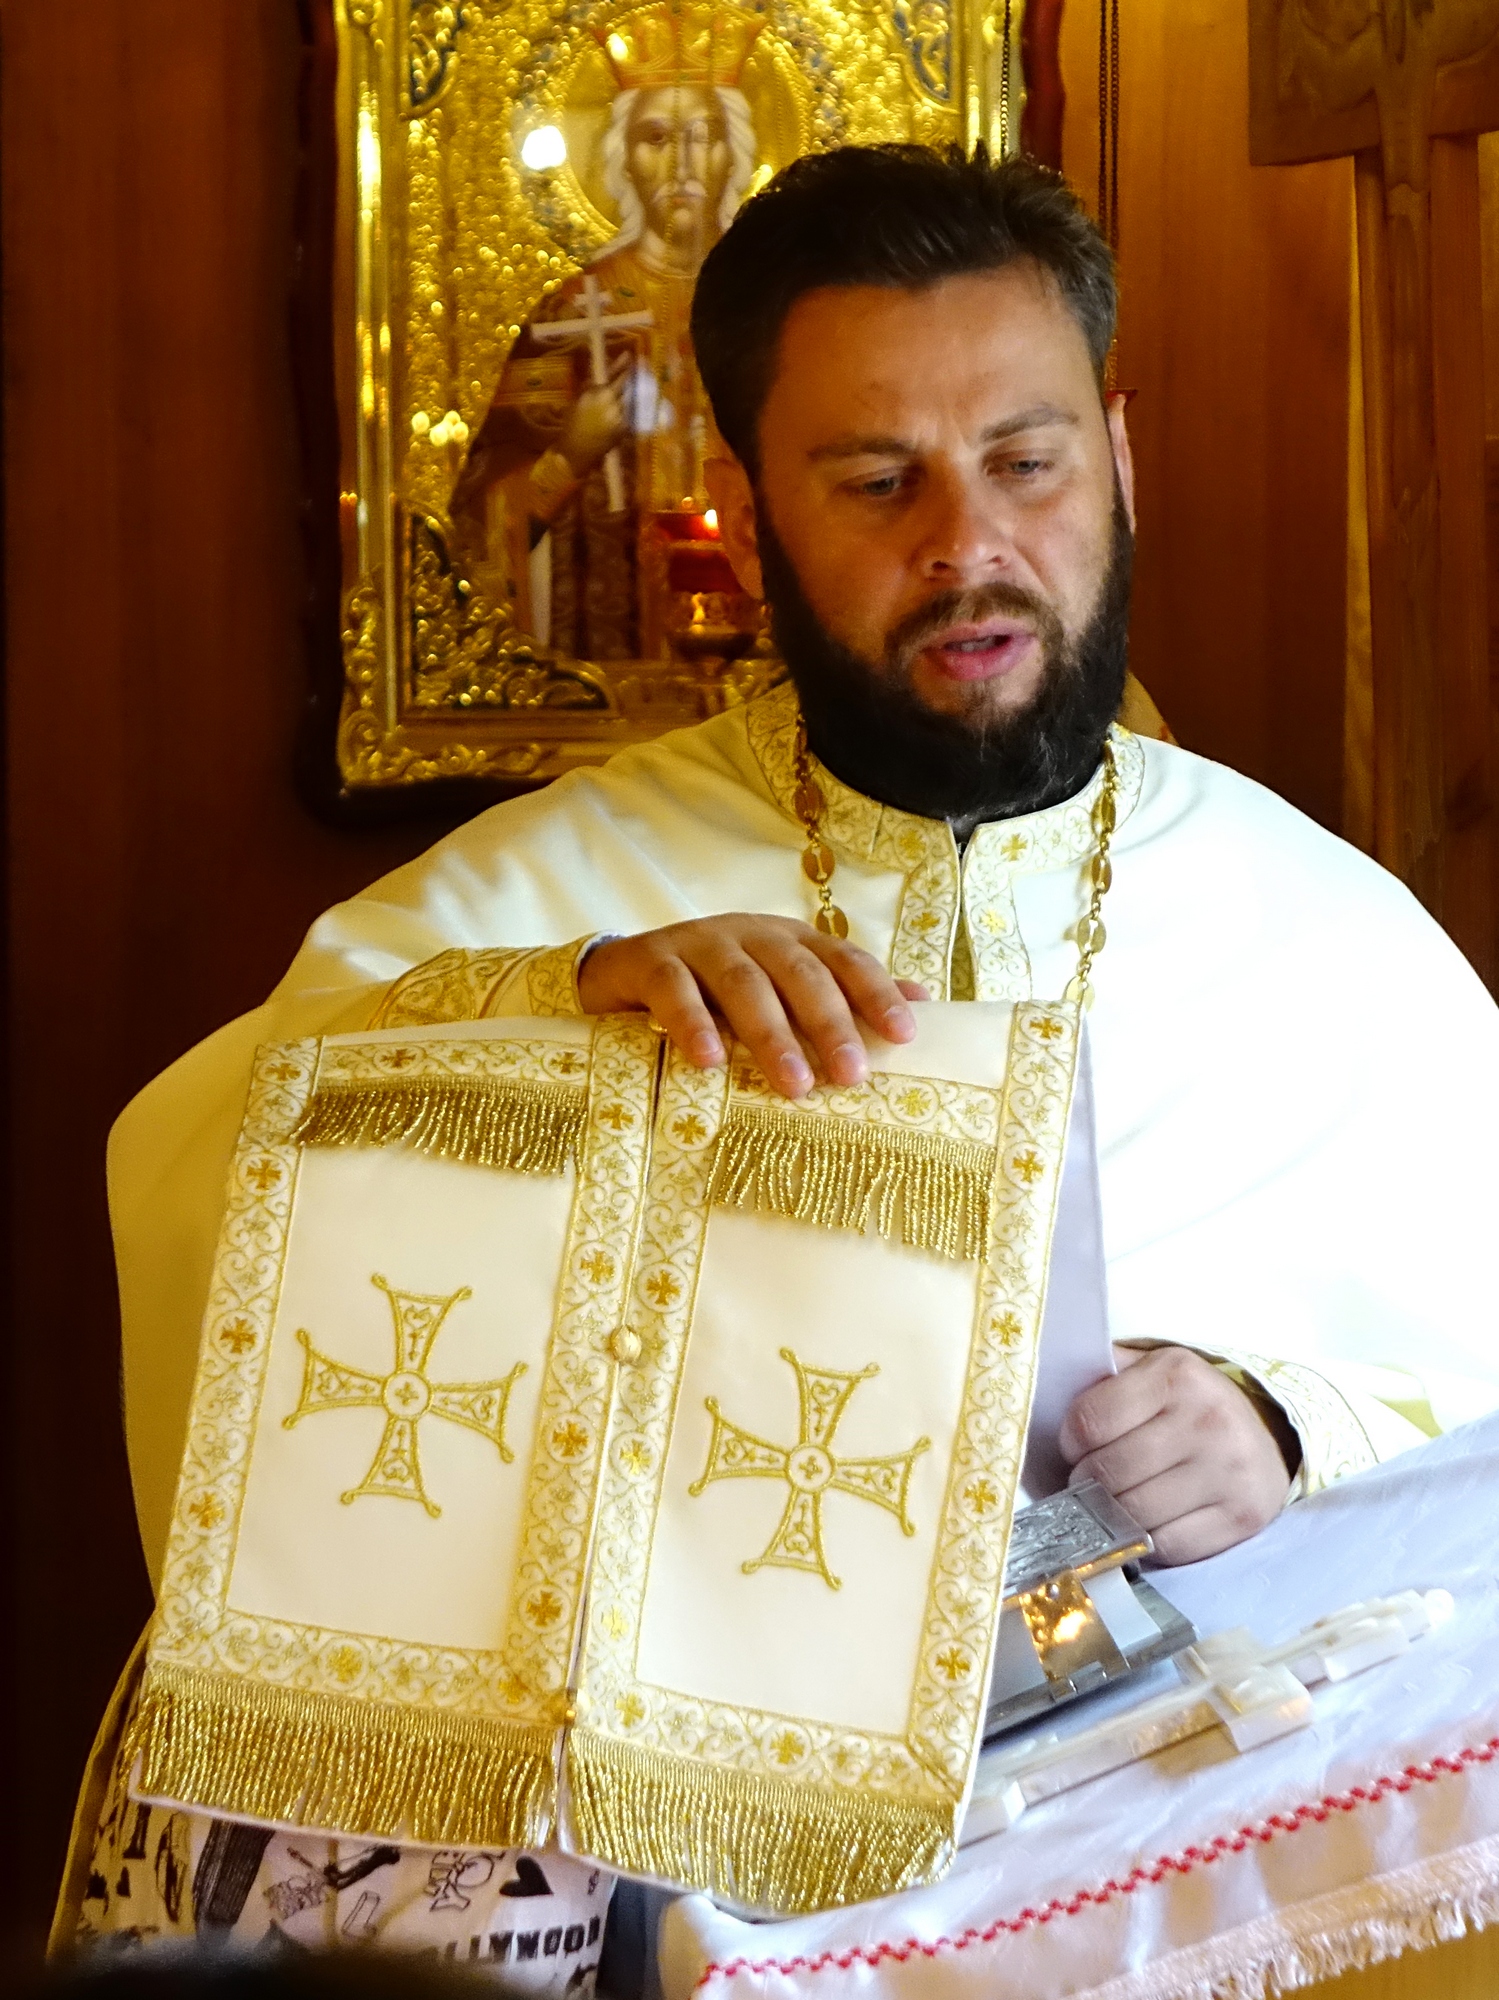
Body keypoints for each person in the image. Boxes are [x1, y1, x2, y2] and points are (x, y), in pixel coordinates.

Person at [80, 145, 1499, 1978]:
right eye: (872, 479)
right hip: (664, 1880)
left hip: (1185, 1892)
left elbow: (1465, 1379)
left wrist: (1279, 1420)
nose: (964, 546)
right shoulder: (552, 905)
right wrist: (553, 1026)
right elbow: (203, 1165)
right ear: (751, 520)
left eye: (1025, 459)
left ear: (1119, 462)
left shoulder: (1336, 938)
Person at [447, 6, 762, 658]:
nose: (680, 161)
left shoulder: (778, 304)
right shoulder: (572, 314)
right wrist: (569, 454)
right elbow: (481, 520)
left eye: (701, 135)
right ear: (622, 159)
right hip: (608, 638)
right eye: (654, 138)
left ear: (732, 153)